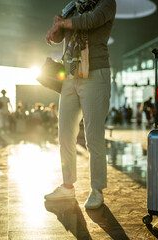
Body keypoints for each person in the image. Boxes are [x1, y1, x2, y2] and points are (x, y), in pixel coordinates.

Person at [44, 0, 116, 210]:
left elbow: (92, 20)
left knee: (93, 136)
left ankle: (97, 190)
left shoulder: (107, 3)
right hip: (71, 73)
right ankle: (68, 186)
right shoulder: (71, 7)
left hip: (96, 72)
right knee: (65, 133)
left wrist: (64, 23)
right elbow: (58, 37)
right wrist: (55, 29)